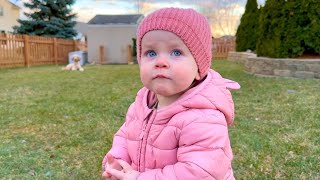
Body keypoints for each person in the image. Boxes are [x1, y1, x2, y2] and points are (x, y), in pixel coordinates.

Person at [102, 7, 240, 180]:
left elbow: (198, 172)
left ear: (199, 68)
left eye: (176, 52)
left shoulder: (203, 117)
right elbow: (124, 136)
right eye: (151, 53)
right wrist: (117, 161)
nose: (160, 62)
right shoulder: (141, 104)